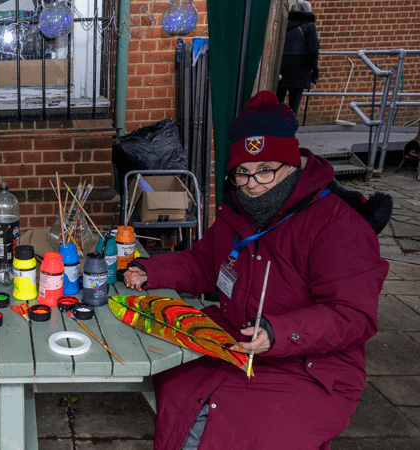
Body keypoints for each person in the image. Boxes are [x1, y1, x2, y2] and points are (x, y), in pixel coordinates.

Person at [124, 91, 390, 450]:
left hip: (308, 365)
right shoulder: (239, 211)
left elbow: (351, 315)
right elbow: (205, 264)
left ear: (293, 162)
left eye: (266, 169)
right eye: (242, 173)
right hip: (234, 340)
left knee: (231, 428)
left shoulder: (338, 225)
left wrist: (279, 332)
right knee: (177, 386)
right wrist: (148, 269)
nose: (252, 184)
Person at [276, 0, 319, 116]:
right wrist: (313, 68)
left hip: (282, 65)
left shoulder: (284, 23)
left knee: (277, 103)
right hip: (301, 67)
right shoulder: (309, 26)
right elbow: (313, 50)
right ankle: (290, 131)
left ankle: (274, 130)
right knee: (293, 106)